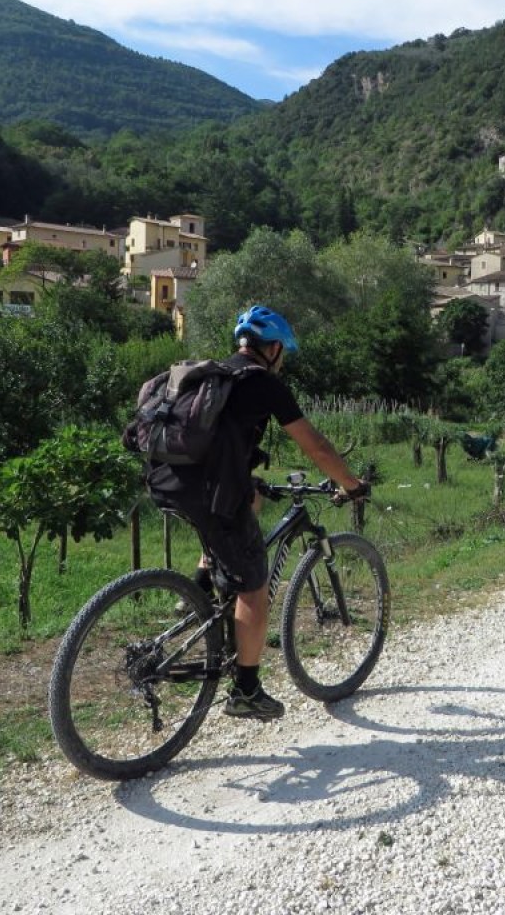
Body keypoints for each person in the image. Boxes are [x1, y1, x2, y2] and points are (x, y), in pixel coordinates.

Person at [145, 305, 367, 721]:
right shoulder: (263, 383)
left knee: (249, 501)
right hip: (210, 492)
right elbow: (315, 446)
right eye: (283, 353)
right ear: (275, 348)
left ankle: (197, 596)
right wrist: (351, 484)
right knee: (253, 587)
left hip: (168, 481)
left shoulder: (216, 373)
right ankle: (246, 690)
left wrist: (246, 480)